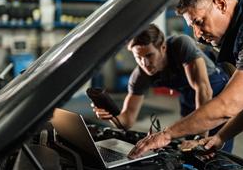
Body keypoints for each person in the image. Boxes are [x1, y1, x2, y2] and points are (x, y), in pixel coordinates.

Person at [128, 0, 243, 159]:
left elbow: (229, 105)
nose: (197, 35)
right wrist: (220, 137)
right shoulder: (242, 33)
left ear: (220, 4)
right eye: (193, 26)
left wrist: (166, 134)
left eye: (199, 22)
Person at [92, 23, 233, 152]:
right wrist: (110, 114)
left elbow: (204, 89)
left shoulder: (181, 45)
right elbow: (127, 121)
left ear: (163, 48)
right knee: (188, 152)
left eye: (149, 55)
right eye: (138, 57)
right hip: (189, 98)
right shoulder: (140, 75)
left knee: (214, 152)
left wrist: (199, 139)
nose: (144, 63)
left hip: (215, 92)